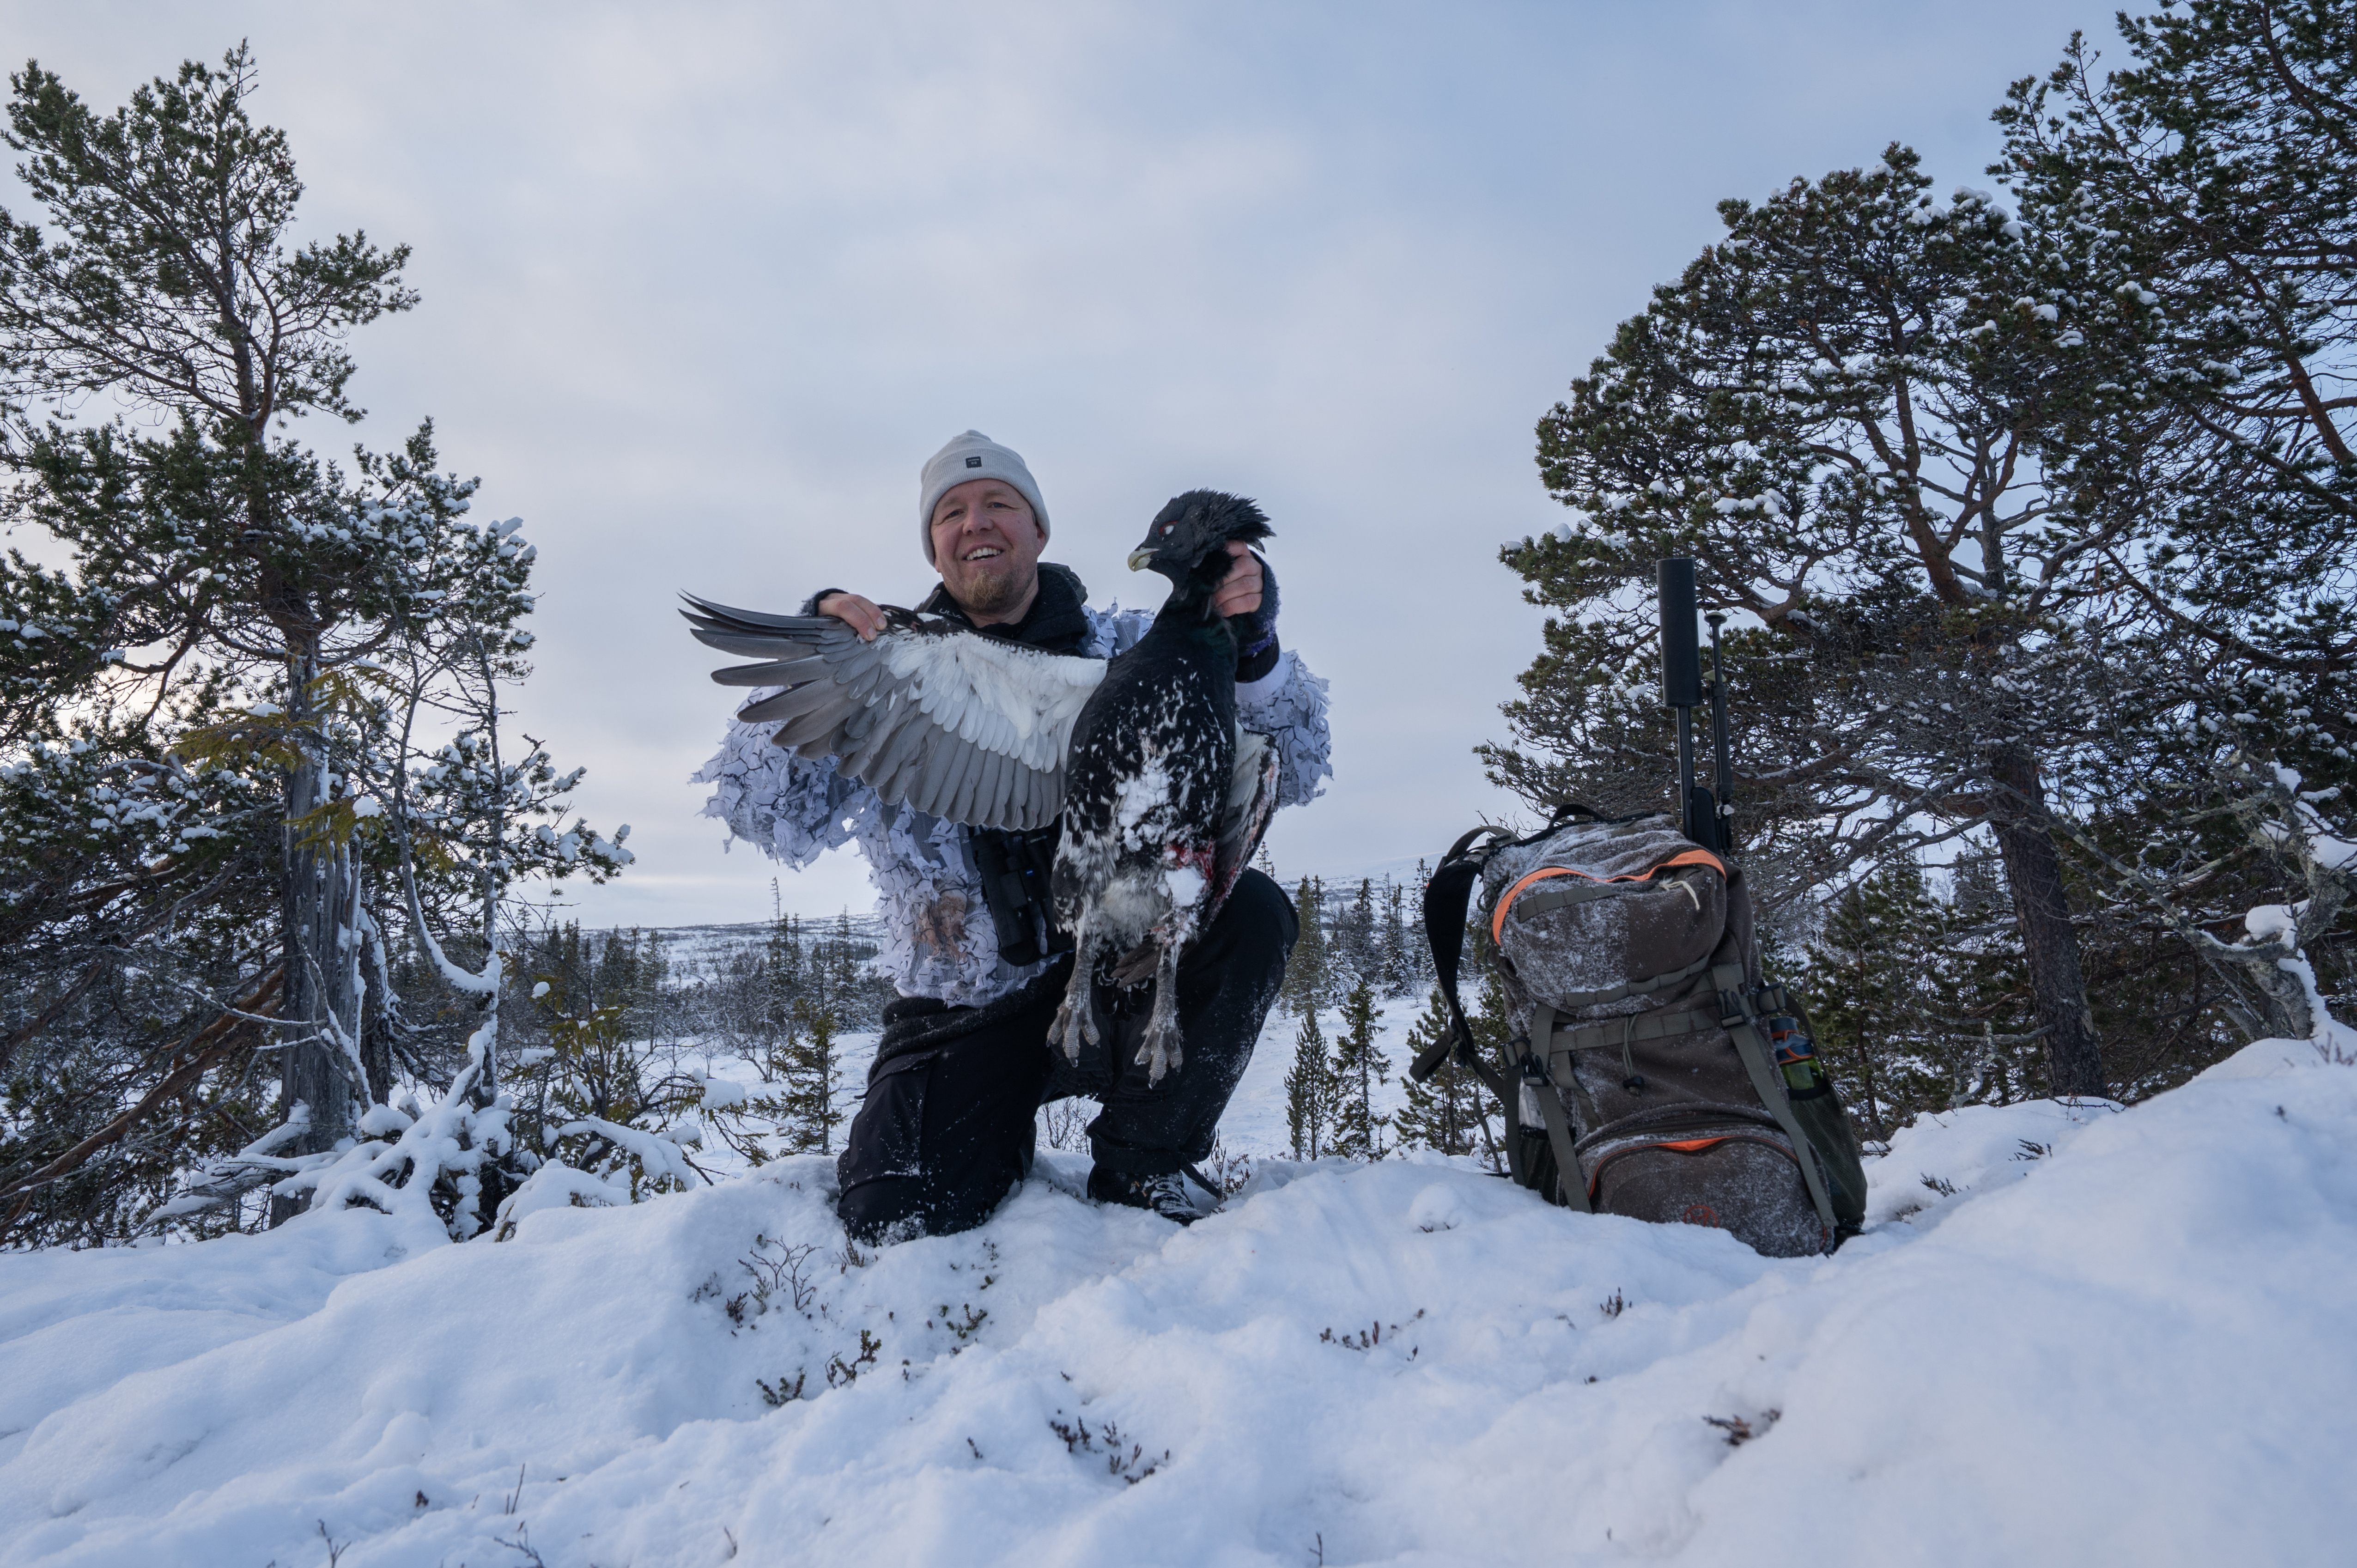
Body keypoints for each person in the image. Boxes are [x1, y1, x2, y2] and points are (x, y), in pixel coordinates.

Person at [696, 431, 1331, 1239]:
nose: (976, 522)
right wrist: (818, 655)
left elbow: (1292, 766)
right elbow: (760, 811)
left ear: (1038, 529)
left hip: (1122, 976)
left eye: (999, 502)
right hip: (964, 1009)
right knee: (895, 1215)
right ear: (932, 546)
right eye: (951, 512)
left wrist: (1253, 648)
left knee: (1250, 913)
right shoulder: (888, 663)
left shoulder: (1144, 647)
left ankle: (1146, 1158)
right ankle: (986, 1130)